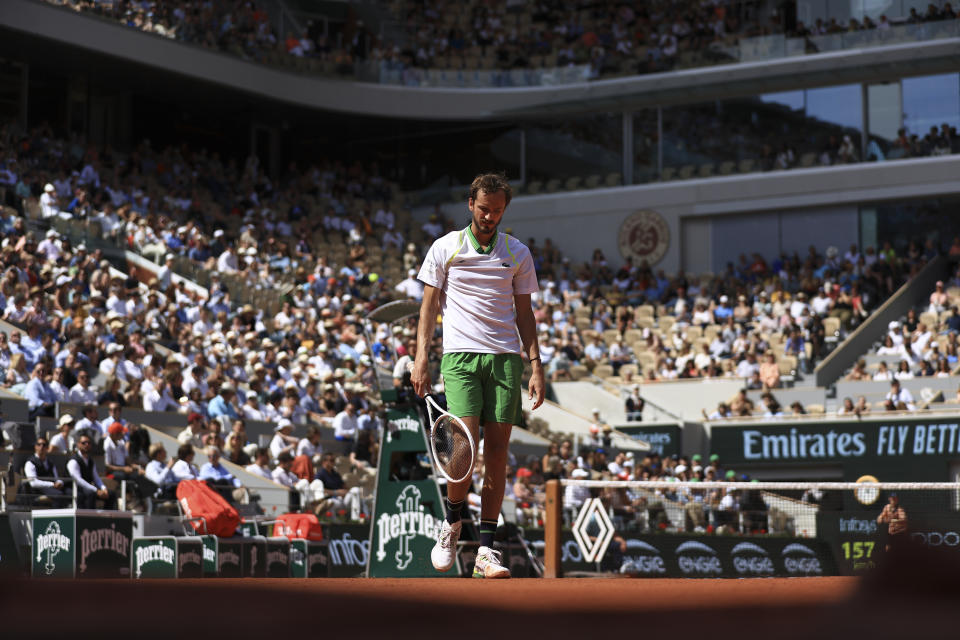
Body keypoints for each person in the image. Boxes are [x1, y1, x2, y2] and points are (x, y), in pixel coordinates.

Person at [412, 173, 544, 579]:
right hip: (460, 358)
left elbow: (524, 313)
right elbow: (428, 308)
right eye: (484, 209)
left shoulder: (517, 252)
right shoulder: (445, 247)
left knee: (498, 455)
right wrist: (421, 357)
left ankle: (486, 551)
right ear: (470, 204)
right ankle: (451, 526)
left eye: (498, 210)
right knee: (463, 452)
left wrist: (536, 365)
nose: (490, 216)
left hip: (505, 360)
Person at [67, 434, 115, 509]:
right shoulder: (73, 461)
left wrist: (103, 488)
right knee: (90, 494)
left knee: (111, 494)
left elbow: (96, 478)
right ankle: (89, 519)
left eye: (89, 443)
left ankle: (107, 519)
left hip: (87, 487)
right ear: (78, 444)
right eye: (84, 443)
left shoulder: (90, 461)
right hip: (74, 488)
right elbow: (79, 481)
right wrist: (96, 490)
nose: (87, 445)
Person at [23, 437, 70, 506]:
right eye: (39, 444)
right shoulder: (30, 462)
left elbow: (56, 478)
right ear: (35, 447)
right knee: (59, 495)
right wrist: (52, 484)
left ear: (47, 448)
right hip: (38, 490)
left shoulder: (50, 463)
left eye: (44, 445)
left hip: (52, 488)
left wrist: (60, 482)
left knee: (71, 493)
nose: (41, 447)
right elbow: (33, 483)